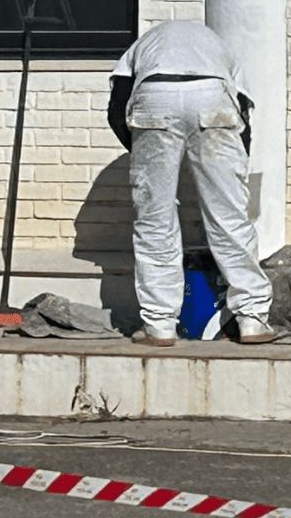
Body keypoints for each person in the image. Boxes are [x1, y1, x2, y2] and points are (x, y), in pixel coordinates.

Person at [108, 20, 275, 346]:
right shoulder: (220, 49)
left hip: (155, 95)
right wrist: (233, 175)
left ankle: (159, 326)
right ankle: (253, 319)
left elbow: (117, 111)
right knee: (228, 216)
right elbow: (243, 118)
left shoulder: (140, 50)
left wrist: (147, 154)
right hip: (213, 95)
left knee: (154, 220)